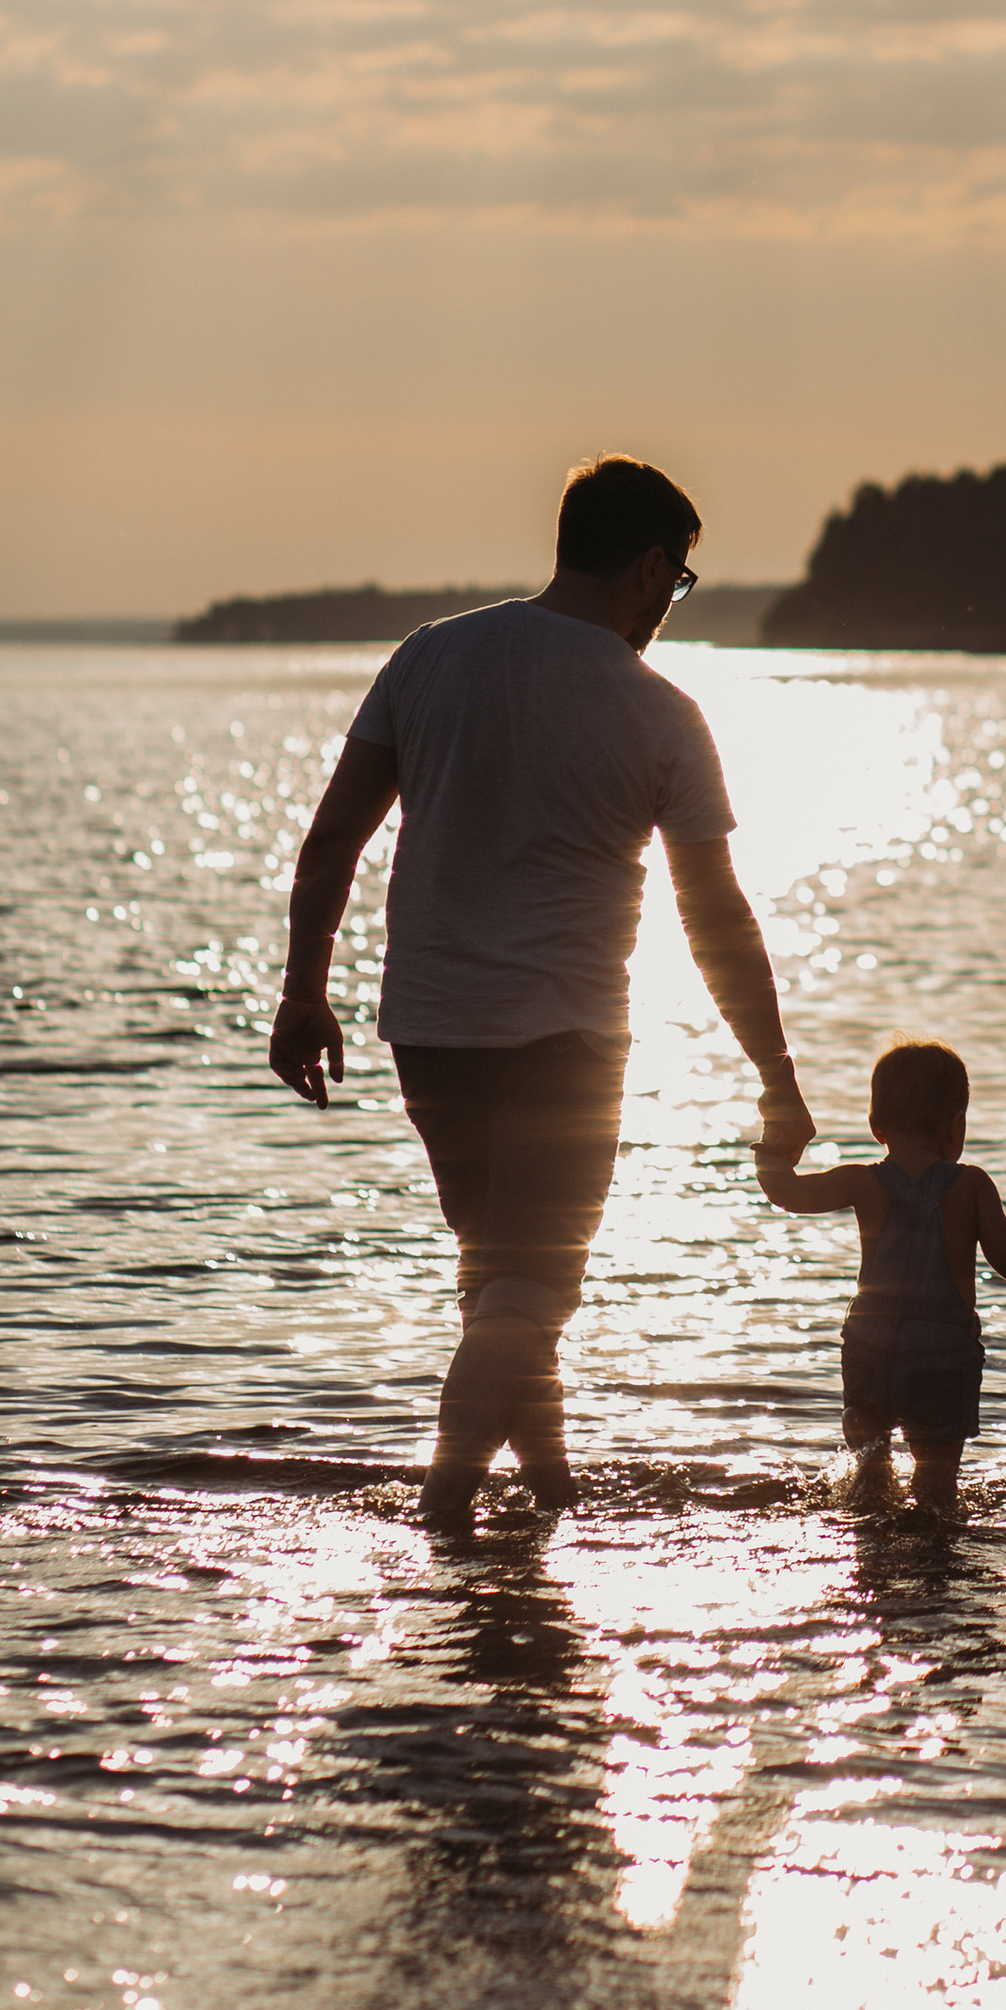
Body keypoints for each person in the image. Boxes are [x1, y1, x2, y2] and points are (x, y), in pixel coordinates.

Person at [265, 451, 818, 1531]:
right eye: (678, 580)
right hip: (563, 1041)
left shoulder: (430, 657)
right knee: (526, 1294)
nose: (670, 603)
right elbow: (717, 920)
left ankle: (553, 1502)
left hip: (428, 1031)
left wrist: (302, 992)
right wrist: (776, 1077)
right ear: (650, 563)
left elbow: (333, 839)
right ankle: (445, 1514)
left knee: (499, 1291)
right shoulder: (659, 712)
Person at [754, 1032, 1006, 1513]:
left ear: (877, 1125)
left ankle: (870, 1469)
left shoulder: (862, 1181)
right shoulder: (971, 1185)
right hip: (942, 1352)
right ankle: (933, 1543)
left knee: (865, 1425)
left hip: (872, 1345)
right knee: (936, 1480)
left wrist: (772, 1146)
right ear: (955, 1125)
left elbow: (787, 1193)